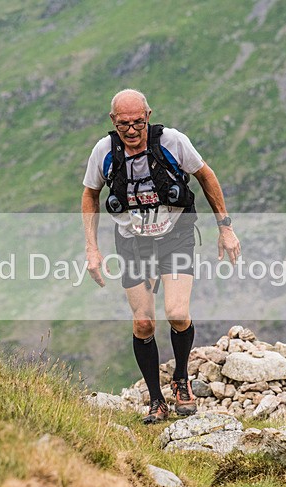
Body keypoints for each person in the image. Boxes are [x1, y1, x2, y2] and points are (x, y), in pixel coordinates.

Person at [81, 89, 240, 424]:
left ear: (148, 115)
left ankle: (181, 380)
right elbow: (90, 194)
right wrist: (92, 248)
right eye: (124, 123)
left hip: (175, 236)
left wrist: (225, 227)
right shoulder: (104, 151)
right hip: (132, 242)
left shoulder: (172, 142)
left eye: (138, 121)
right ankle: (156, 400)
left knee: (177, 314)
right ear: (114, 121)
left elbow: (205, 176)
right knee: (143, 323)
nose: (132, 129)